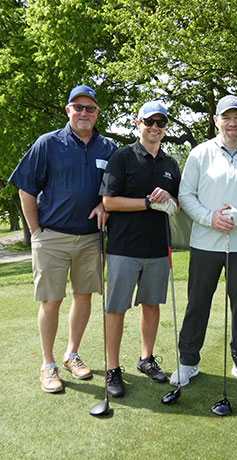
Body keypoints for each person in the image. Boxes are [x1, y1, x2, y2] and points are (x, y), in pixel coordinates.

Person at [8, 84, 117, 393]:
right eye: (78, 107)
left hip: (90, 238)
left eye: (90, 108)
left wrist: (103, 203)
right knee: (51, 300)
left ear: (97, 113)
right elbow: (25, 188)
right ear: (68, 110)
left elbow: (114, 188)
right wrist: (35, 232)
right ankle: (48, 364)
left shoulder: (107, 147)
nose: (84, 113)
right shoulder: (48, 143)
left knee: (84, 296)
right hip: (51, 236)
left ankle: (72, 354)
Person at [170, 95, 237, 389]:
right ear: (216, 120)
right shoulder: (199, 154)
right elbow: (186, 195)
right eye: (226, 118)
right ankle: (188, 362)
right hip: (205, 242)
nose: (232, 123)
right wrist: (209, 218)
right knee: (198, 303)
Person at [99, 101, 181, 397]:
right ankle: (112, 368)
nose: (155, 128)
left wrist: (167, 200)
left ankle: (146, 359)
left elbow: (176, 206)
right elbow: (109, 201)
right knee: (116, 308)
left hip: (158, 248)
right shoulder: (121, 157)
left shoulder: (171, 164)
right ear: (138, 123)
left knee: (151, 304)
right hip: (122, 247)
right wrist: (148, 202)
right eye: (150, 122)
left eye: (161, 123)